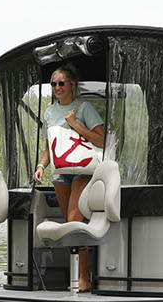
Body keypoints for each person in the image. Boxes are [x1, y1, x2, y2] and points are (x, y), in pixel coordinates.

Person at [31, 64, 106, 289]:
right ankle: (79, 275)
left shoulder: (84, 108)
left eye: (61, 83)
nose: (57, 87)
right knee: (70, 226)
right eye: (53, 84)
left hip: (83, 171)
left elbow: (101, 140)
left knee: (74, 221)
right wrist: (41, 166)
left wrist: (75, 124)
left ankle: (83, 278)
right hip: (60, 172)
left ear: (71, 85)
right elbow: (49, 147)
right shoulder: (49, 112)